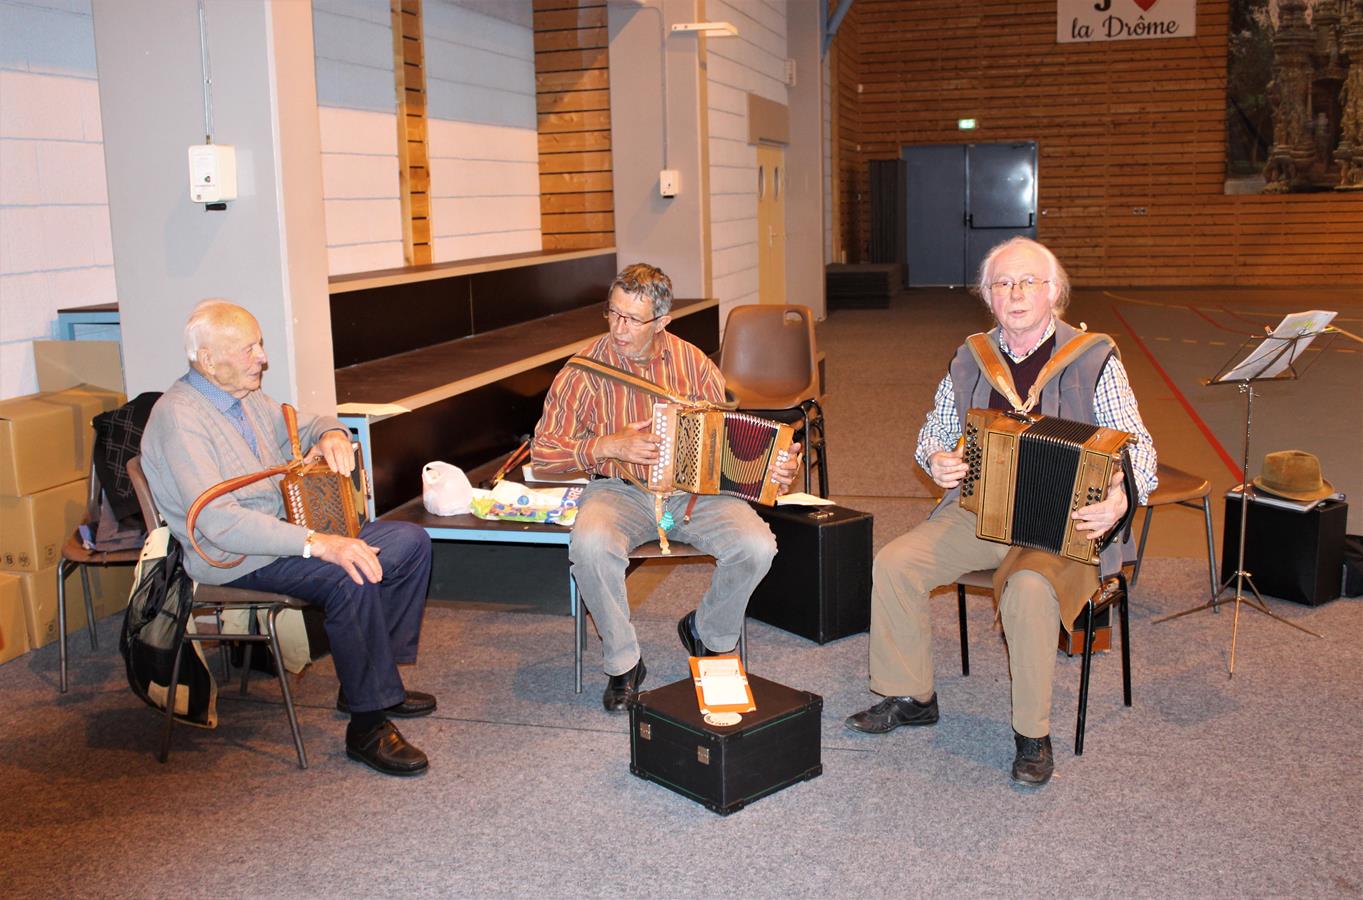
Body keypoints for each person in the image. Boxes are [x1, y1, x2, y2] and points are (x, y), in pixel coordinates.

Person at [844, 237, 1157, 786]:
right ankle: (912, 695)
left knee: (1030, 592)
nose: (1015, 294)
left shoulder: (1094, 358)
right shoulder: (970, 357)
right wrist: (938, 460)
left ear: (1054, 292)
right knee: (896, 562)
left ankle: (1032, 733)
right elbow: (933, 436)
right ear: (988, 296)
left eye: (1028, 282)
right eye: (1002, 284)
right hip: (980, 512)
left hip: (1065, 525)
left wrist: (1119, 499)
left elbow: (1141, 451)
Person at [140, 300, 436, 777]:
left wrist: (333, 433)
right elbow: (218, 522)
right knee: (349, 574)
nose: (262, 357)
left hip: (280, 536)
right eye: (249, 349)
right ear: (208, 360)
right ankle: (367, 726)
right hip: (232, 556)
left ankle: (374, 680)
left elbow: (305, 422)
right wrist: (320, 542)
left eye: (259, 344)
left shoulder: (243, 397)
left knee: (409, 543)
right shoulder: (180, 419)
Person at [532, 263, 801, 711]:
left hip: (692, 493)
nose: (619, 328)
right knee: (592, 545)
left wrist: (773, 467)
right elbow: (543, 453)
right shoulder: (581, 371)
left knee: (757, 546)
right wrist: (607, 444)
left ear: (661, 322)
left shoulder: (692, 363)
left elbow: (729, 438)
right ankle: (624, 664)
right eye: (613, 313)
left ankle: (707, 632)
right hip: (619, 492)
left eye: (633, 320)